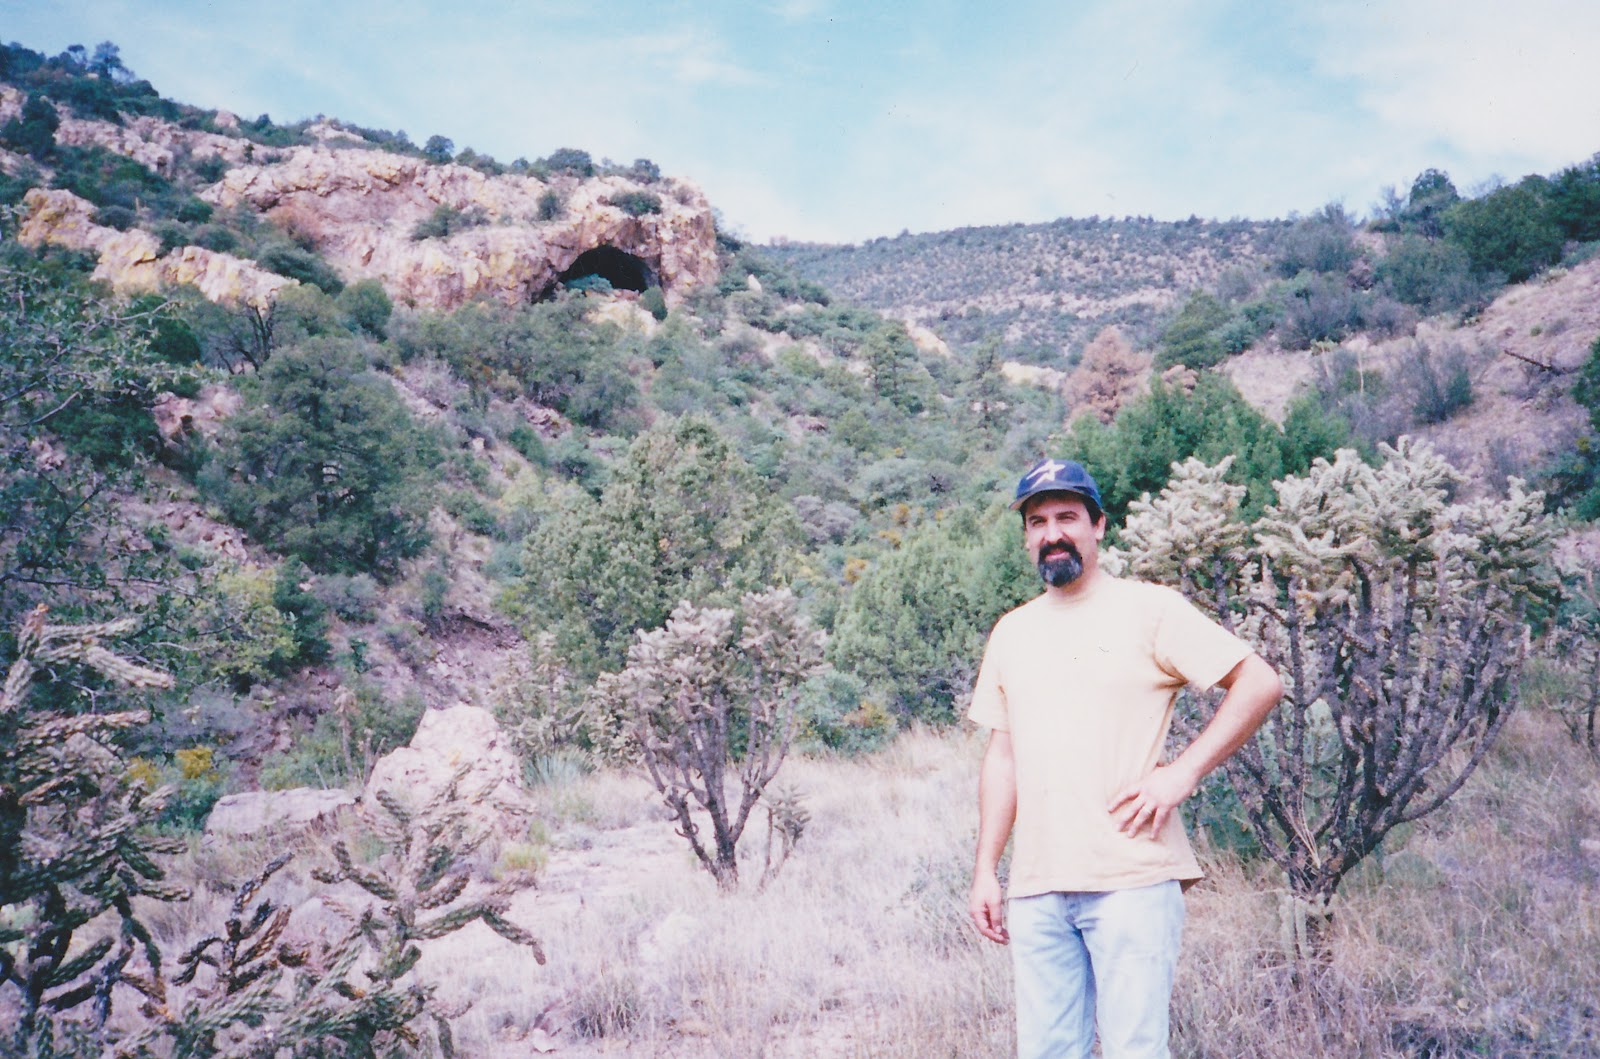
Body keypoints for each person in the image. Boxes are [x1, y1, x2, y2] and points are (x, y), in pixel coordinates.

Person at [966, 457, 1283, 1059]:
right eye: (1037, 521)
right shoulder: (1012, 632)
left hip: (1131, 880)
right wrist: (987, 867)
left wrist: (1181, 773)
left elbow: (1259, 683)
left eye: (1067, 517)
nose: (1052, 532)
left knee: (1136, 1050)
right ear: (1026, 537)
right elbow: (1001, 755)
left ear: (1099, 526)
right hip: (1037, 887)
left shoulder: (1149, 608)